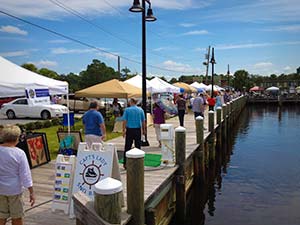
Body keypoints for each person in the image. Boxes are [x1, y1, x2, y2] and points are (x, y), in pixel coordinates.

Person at [0, 125, 35, 225]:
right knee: (17, 217)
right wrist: (31, 192)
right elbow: (25, 174)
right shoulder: (19, 153)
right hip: (14, 190)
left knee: (1, 217)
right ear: (17, 138)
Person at [122, 98, 146, 169]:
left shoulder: (127, 110)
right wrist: (144, 130)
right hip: (137, 129)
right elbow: (143, 121)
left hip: (129, 129)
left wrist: (123, 130)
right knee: (138, 146)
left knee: (127, 146)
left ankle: (125, 163)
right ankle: (138, 162)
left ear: (131, 102)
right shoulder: (140, 110)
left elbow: (124, 120)